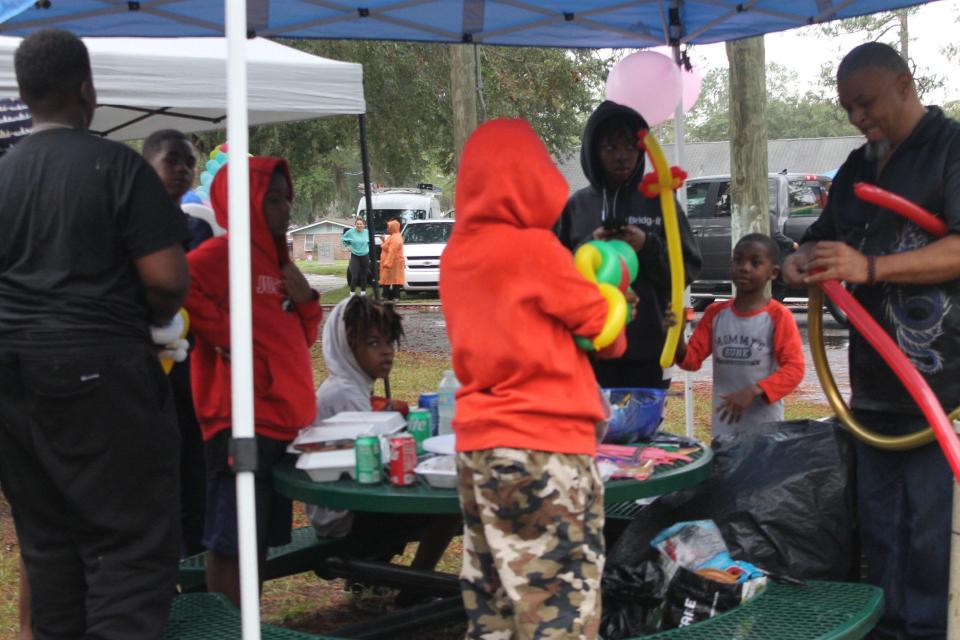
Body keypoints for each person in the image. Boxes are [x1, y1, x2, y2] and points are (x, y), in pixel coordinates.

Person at [0, 29, 189, 639]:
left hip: (13, 384)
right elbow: (165, 280)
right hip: (101, 375)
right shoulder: (116, 166)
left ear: (27, 95)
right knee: (130, 550)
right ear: (86, 90)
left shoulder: (3, 173)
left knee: (50, 548)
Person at [783, 42, 960, 639]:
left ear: (905, 84)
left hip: (943, 392)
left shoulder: (950, 150)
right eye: (848, 109)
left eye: (866, 102)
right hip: (873, 393)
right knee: (881, 531)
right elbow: (817, 238)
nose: (858, 118)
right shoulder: (858, 169)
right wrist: (799, 262)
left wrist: (871, 268)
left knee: (930, 539)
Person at [441, 118, 630, 639]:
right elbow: (605, 331)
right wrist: (616, 295)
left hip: (479, 451)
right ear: (531, 178)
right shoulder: (535, 251)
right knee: (558, 605)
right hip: (545, 450)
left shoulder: (456, 256)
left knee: (494, 600)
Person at [185, 156, 322, 608]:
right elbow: (178, 283)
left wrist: (306, 302)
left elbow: (301, 338)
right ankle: (225, 626)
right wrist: (229, 337)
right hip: (239, 422)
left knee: (258, 539)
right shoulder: (223, 255)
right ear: (247, 203)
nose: (286, 210)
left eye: (287, 199)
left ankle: (248, 622)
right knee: (230, 540)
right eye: (274, 199)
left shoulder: (279, 262)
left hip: (280, 424)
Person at [308, 295, 460, 602]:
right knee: (452, 509)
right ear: (346, 347)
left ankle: (375, 574)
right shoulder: (344, 393)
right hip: (341, 517)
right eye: (374, 343)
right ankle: (417, 587)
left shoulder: (350, 386)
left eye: (389, 342)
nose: (387, 351)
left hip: (345, 504)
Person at [557, 100, 702, 390]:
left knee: (643, 431)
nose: (621, 156)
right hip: (590, 349)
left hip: (647, 349)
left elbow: (686, 268)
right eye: (609, 148)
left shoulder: (659, 199)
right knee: (592, 434)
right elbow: (554, 274)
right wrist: (591, 245)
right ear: (592, 152)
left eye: (628, 147)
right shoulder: (577, 206)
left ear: (641, 149)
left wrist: (647, 245)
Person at [142, 128, 210, 558]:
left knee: (195, 476)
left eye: (189, 162)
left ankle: (198, 573)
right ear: (147, 168)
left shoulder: (200, 230)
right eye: (172, 160)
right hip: (144, 375)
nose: (183, 169)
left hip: (196, 372)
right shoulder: (125, 227)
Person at [668, 234, 804, 438]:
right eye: (738, 260)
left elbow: (794, 369)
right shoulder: (715, 313)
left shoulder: (778, 316)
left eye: (755, 262)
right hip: (724, 430)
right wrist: (676, 332)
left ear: (773, 273)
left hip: (764, 433)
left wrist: (754, 390)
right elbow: (690, 361)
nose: (744, 267)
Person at [342, 217, 371, 295]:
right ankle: (352, 294)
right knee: (355, 276)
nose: (359, 225)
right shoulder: (351, 232)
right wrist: (347, 246)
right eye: (357, 224)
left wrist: (368, 246)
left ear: (364, 225)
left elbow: (371, 241)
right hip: (355, 256)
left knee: (364, 276)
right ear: (355, 225)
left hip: (365, 255)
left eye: (361, 224)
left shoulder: (367, 232)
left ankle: (363, 294)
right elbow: (343, 239)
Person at [379, 218, 405, 302]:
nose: (387, 229)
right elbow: (388, 247)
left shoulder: (396, 238)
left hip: (394, 263)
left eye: (389, 227)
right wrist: (384, 241)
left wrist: (388, 262)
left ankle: (395, 297)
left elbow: (392, 251)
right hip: (392, 262)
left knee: (395, 280)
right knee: (388, 279)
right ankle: (386, 295)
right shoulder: (393, 236)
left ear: (393, 227)